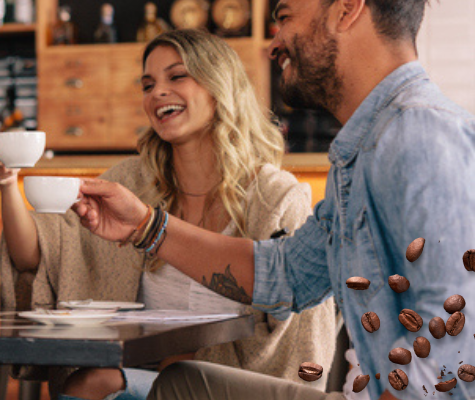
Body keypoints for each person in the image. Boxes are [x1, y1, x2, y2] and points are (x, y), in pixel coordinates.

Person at [71, 0, 475, 399]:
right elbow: (286, 274)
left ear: (346, 9)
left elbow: (454, 345)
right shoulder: (364, 149)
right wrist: (146, 226)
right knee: (183, 381)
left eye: (284, 18)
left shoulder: (418, 134)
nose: (272, 43)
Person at [0, 29, 338, 400]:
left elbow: (300, 340)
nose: (157, 93)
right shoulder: (131, 183)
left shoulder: (276, 198)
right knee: (95, 381)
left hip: (230, 386)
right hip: (149, 380)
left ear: (219, 86)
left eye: (177, 76)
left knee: (103, 382)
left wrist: (195, 362)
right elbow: (35, 257)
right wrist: (7, 184)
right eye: (148, 84)